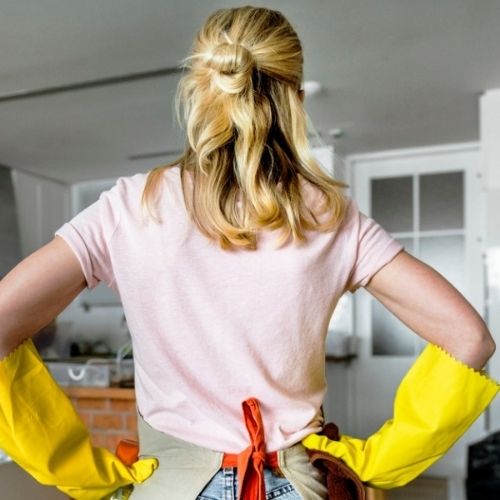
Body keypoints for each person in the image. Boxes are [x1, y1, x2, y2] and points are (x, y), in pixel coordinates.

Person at [0, 5, 497, 500]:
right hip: (299, 485)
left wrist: (83, 473)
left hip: (171, 488)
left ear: (197, 88)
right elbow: (469, 339)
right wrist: (377, 463)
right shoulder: (331, 218)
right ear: (297, 100)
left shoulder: (131, 207)